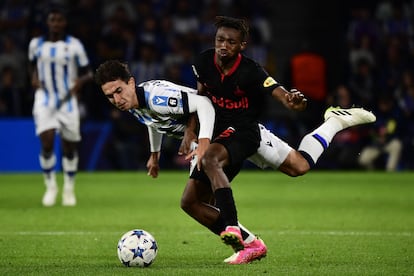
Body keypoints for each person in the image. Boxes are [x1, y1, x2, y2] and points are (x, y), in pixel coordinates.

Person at [186, 16, 376, 264]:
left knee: (298, 167)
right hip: (220, 135)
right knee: (192, 202)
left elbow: (281, 95)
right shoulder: (203, 62)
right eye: (220, 39)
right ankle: (251, 244)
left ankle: (334, 122)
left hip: (246, 132)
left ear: (242, 45)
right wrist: (192, 131)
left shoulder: (251, 71)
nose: (223, 46)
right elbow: (200, 99)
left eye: (231, 42)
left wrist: (295, 100)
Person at [28, 7, 93, 207]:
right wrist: (34, 76)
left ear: (64, 23)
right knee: (47, 142)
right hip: (44, 99)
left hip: (67, 101)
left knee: (69, 147)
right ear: (47, 22)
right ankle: (50, 186)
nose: (55, 23)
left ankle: (69, 188)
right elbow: (31, 64)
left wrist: (79, 82)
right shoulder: (36, 44)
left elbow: (88, 72)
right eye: (52, 20)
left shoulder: (74, 45)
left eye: (59, 20)